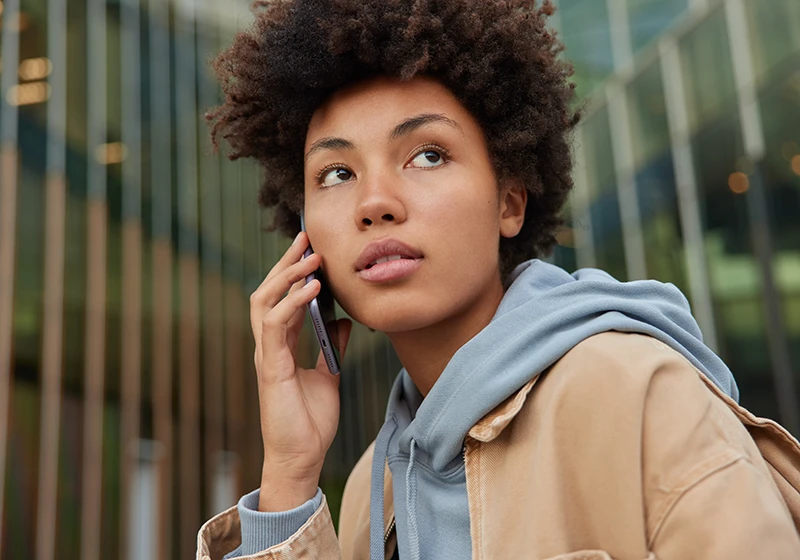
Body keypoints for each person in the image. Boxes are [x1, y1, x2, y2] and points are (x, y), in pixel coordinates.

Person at [197, 0, 800, 558]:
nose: (373, 202)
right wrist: (289, 476)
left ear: (509, 204)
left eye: (428, 155)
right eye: (334, 173)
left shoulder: (635, 391)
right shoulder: (366, 493)